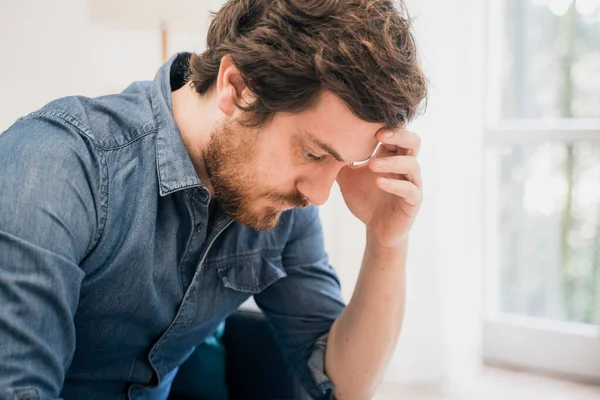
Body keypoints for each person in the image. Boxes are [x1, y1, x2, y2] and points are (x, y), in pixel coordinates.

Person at [0, 0, 427, 399]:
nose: (317, 195)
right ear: (236, 88)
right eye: (313, 153)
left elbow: (342, 383)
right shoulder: (58, 165)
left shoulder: (281, 207)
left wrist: (386, 242)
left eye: (339, 164)